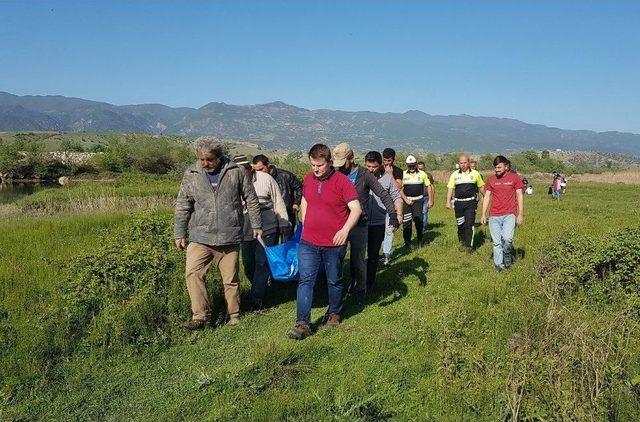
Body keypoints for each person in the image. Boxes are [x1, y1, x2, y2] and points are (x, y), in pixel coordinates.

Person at [174, 137, 262, 329]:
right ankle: (200, 317)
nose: (205, 163)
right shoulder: (191, 173)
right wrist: (179, 232)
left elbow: (251, 199)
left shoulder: (236, 172)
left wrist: (256, 225)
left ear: (220, 157)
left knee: (230, 279)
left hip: (228, 235)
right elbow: (183, 204)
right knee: (193, 274)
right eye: (202, 159)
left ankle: (234, 315)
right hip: (200, 236)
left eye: (210, 159)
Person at [289, 143, 362, 340]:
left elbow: (356, 209)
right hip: (309, 241)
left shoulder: (342, 182)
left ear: (329, 163)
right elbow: (305, 200)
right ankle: (302, 323)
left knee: (334, 279)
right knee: (305, 279)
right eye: (313, 165)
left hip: (334, 243)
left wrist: (345, 230)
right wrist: (304, 223)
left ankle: (334, 312)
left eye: (320, 165)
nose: (316, 169)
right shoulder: (308, 179)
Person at [332, 143, 397, 303]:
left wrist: (393, 214)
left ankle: (360, 290)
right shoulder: (334, 173)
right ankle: (336, 292)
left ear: (352, 158)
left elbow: (383, 194)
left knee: (358, 259)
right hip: (338, 224)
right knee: (335, 259)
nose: (340, 168)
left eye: (343, 163)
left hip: (360, 225)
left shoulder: (365, 174)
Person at [241, 165, 291, 310]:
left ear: (249, 169)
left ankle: (256, 300)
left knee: (262, 263)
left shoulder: (266, 179)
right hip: (245, 231)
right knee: (248, 265)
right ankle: (262, 288)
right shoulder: (234, 182)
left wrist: (283, 222)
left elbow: (278, 201)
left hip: (268, 228)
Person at [364, 151, 403, 288]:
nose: (370, 169)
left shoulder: (387, 179)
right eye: (368, 166)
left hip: (379, 222)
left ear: (379, 165)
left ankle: (369, 283)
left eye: (373, 167)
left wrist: (398, 215)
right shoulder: (361, 177)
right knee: (358, 254)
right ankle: (357, 281)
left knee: (373, 254)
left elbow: (396, 197)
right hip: (361, 222)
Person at [481, 155, 524, 271]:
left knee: (507, 238)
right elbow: (487, 197)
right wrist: (483, 214)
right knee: (496, 242)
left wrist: (520, 214)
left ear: (506, 166)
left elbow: (519, 196)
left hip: (509, 214)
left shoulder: (515, 178)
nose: (497, 170)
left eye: (499, 167)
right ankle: (499, 265)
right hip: (494, 215)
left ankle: (507, 252)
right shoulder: (491, 180)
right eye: (495, 167)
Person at [252, 154, 303, 236]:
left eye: (261, 169)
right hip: (268, 218)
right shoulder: (255, 179)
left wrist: (296, 203)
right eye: (256, 170)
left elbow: (300, 188)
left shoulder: (286, 175)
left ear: (268, 165)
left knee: (287, 243)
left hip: (287, 214)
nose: (259, 173)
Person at [445, 154, 485, 252]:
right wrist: (448, 202)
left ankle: (469, 246)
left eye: (465, 163)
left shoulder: (476, 174)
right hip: (458, 203)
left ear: (469, 163)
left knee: (469, 224)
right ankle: (462, 241)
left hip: (470, 203)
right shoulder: (454, 174)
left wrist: (486, 197)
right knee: (460, 224)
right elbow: (450, 189)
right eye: (461, 163)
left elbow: (481, 187)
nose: (463, 165)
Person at [401, 155, 433, 248]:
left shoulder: (422, 174)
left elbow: (429, 187)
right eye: (409, 166)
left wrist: (430, 200)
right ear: (407, 165)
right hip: (407, 202)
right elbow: (400, 189)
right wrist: (406, 199)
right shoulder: (403, 174)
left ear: (415, 164)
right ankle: (407, 243)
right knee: (406, 222)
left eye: (413, 165)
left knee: (418, 221)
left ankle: (420, 240)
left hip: (418, 201)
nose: (411, 167)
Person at [381, 148, 404, 265]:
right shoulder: (377, 169)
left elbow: (399, 187)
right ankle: (381, 252)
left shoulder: (398, 171)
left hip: (392, 205)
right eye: (385, 160)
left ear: (393, 160)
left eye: (389, 160)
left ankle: (387, 255)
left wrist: (390, 176)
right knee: (380, 231)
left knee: (389, 230)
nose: (387, 163)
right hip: (379, 205)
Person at [417, 161, 435, 233]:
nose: (421, 170)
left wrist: (432, 198)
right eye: (419, 168)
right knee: (418, 212)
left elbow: (432, 186)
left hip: (426, 196)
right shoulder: (415, 175)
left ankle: (423, 228)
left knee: (424, 211)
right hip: (417, 197)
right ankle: (419, 226)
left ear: (424, 168)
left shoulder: (428, 175)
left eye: (422, 168)